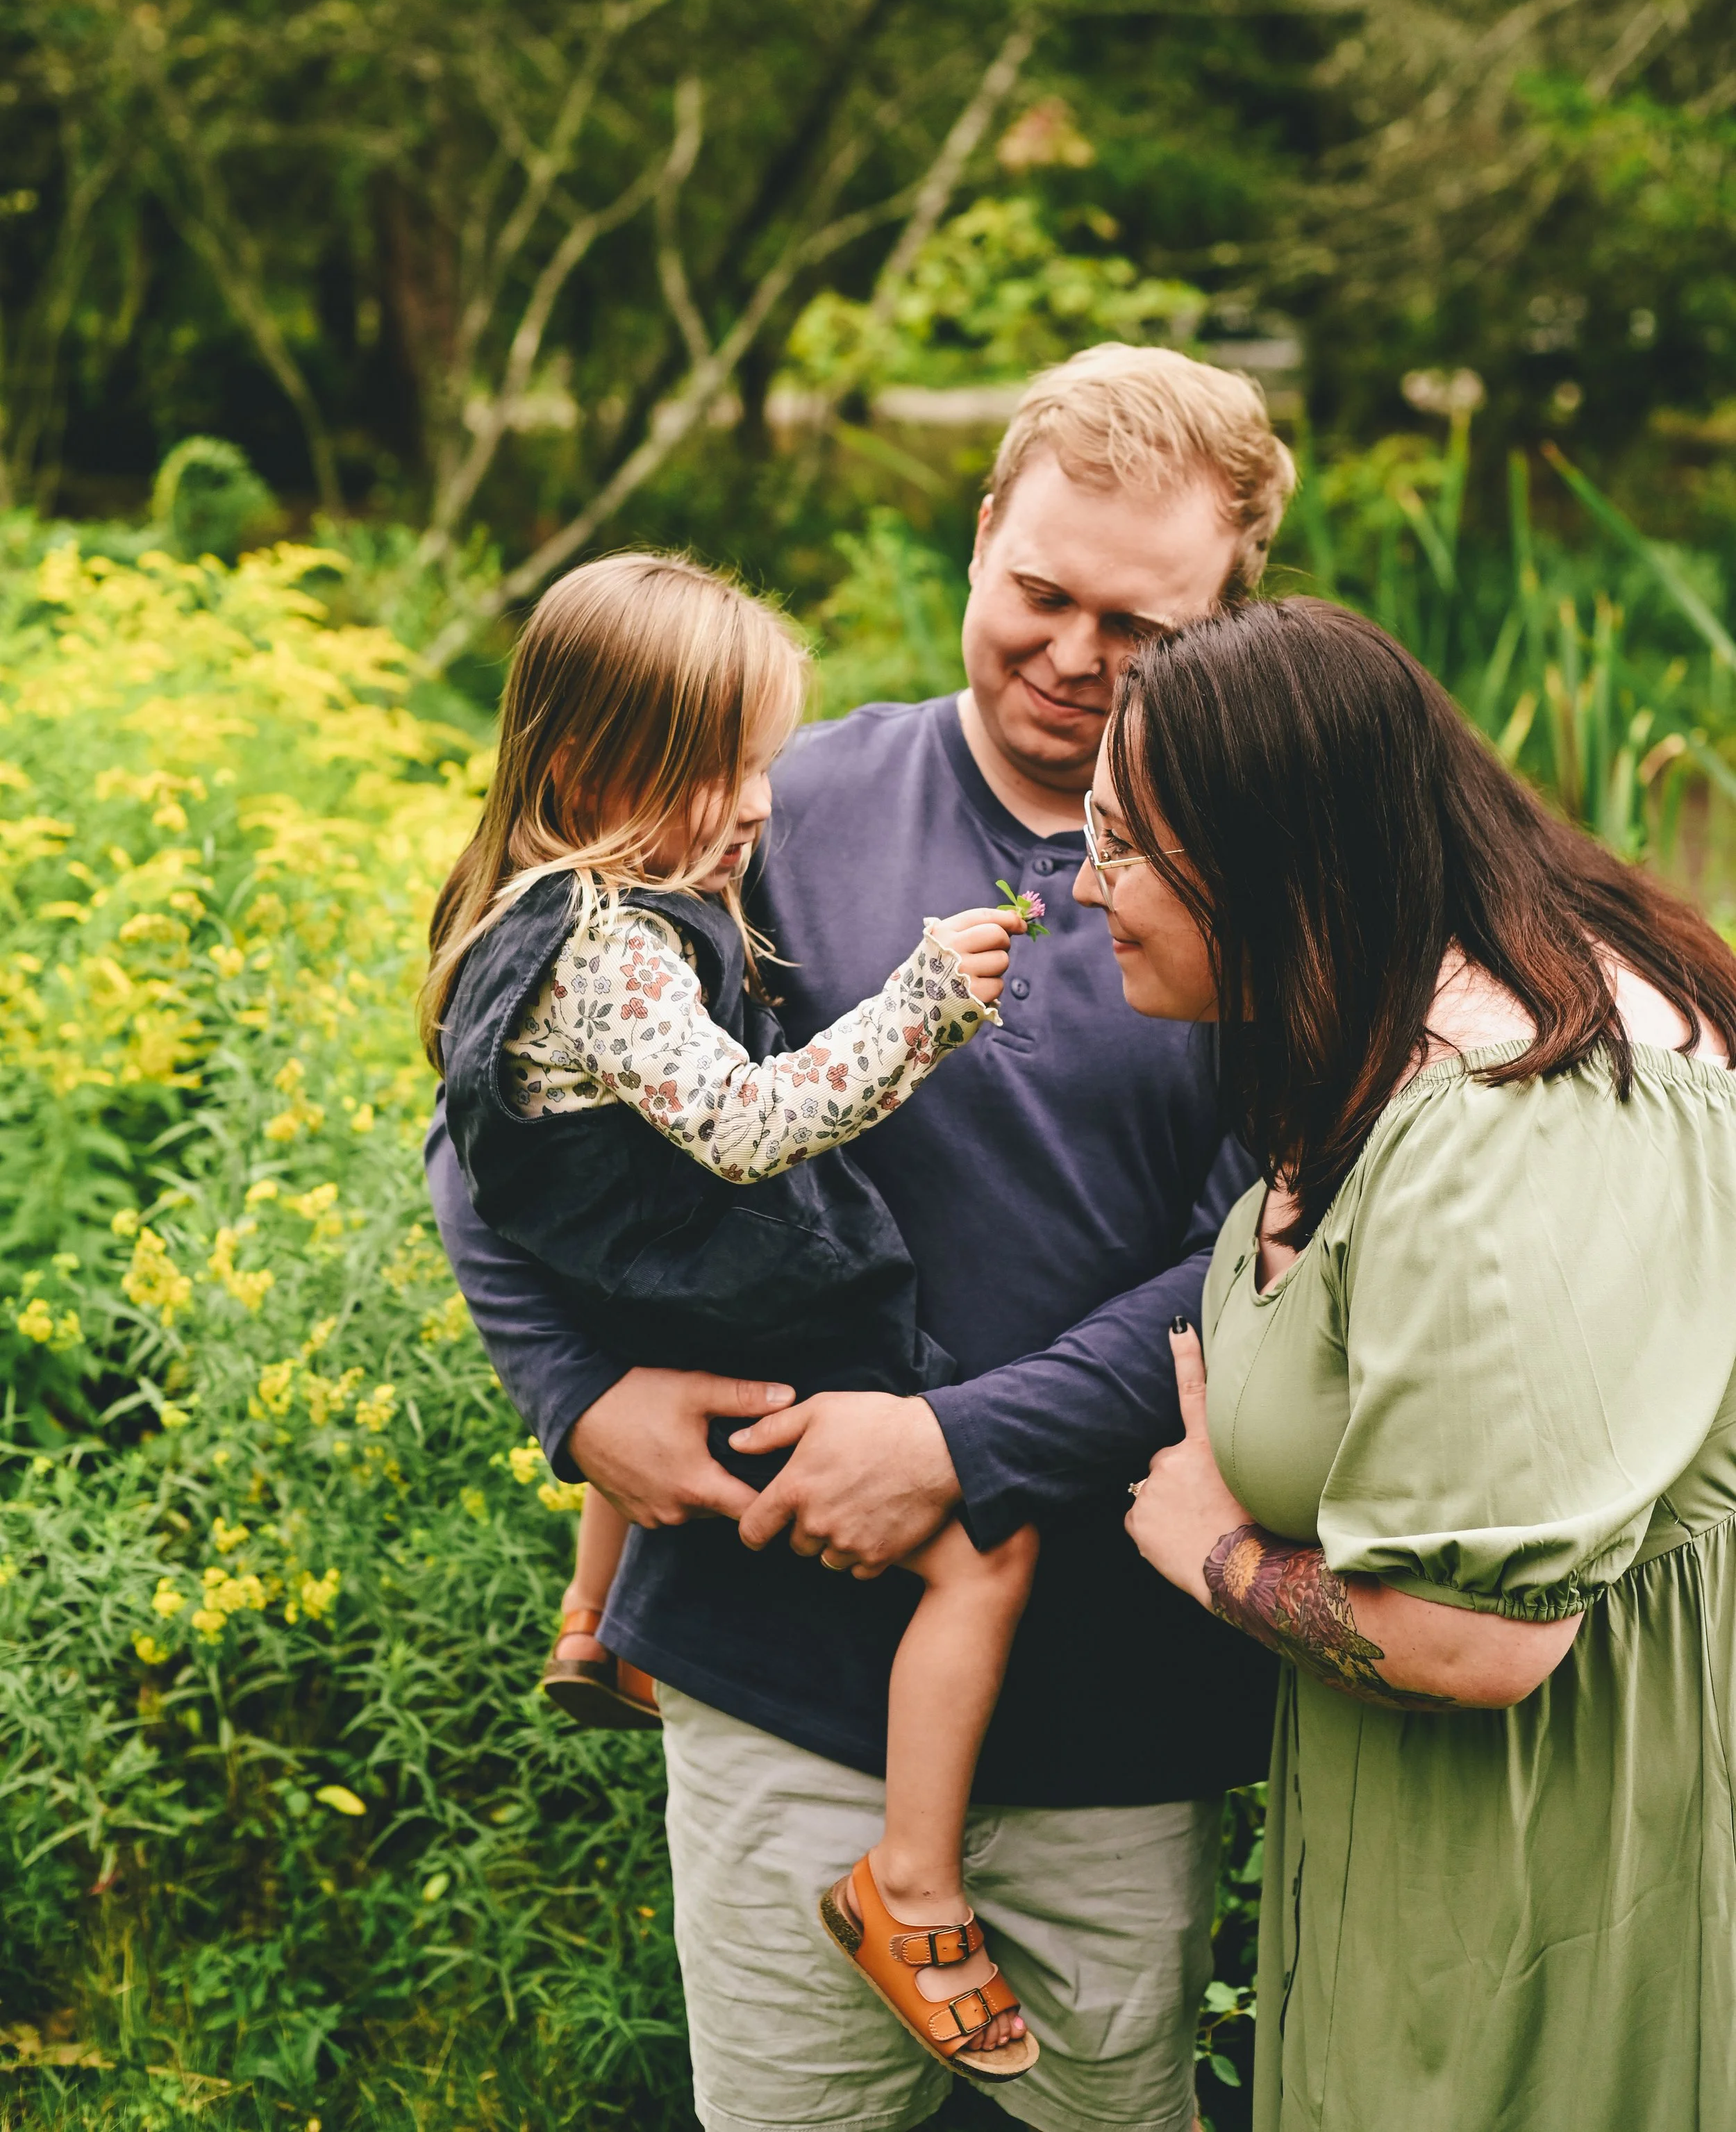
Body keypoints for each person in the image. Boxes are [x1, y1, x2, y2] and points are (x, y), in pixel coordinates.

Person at [426, 342, 1295, 2132]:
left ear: (1233, 607)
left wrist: (959, 1446)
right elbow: (502, 1130)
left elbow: (1259, 1250)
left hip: (1118, 1708)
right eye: (1039, 593)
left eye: (1136, 626)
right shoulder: (759, 807)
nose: (1071, 657)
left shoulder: (1288, 893)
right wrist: (575, 1392)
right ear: (979, 539)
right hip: (775, 1674)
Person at [1090, 595, 1736, 2132]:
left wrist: (1210, 1548)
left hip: (1562, 1856)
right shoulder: (1380, 1030)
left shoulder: (1525, 1109)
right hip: (1431, 1841)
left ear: (1260, 854)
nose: (1080, 884)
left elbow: (1474, 1642)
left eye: (1120, 845)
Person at [421, 551, 1043, 2081]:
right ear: (589, 765)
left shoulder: (534, 907)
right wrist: (922, 1005)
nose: (760, 803)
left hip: (622, 1279)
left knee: (647, 1358)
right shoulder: (615, 946)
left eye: (762, 761)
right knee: (989, 1552)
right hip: (720, 1292)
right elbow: (751, 1127)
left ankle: (599, 1631)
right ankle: (906, 1886)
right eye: (721, 769)